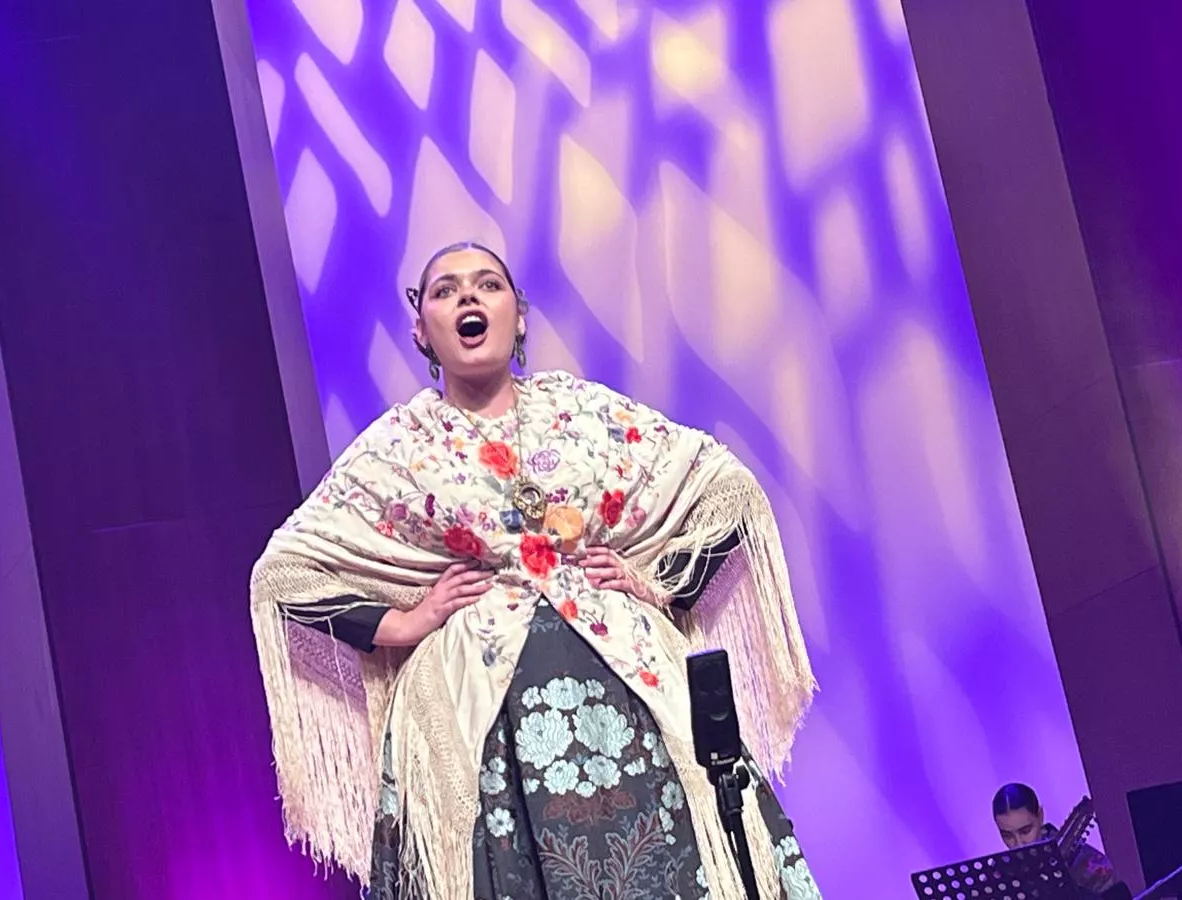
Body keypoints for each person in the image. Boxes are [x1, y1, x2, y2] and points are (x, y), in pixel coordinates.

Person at [249, 242, 821, 899]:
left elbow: (722, 486)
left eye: (487, 284)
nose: (468, 297)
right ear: (420, 331)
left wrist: (660, 582)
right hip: (477, 710)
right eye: (446, 290)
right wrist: (400, 622)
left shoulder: (582, 412)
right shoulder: (399, 445)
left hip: (626, 684)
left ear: (517, 317)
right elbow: (285, 574)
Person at [993, 783, 1124, 898]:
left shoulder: (1090, 863)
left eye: (1025, 831)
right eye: (1007, 835)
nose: (1018, 844)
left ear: (1040, 816)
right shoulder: (1000, 874)